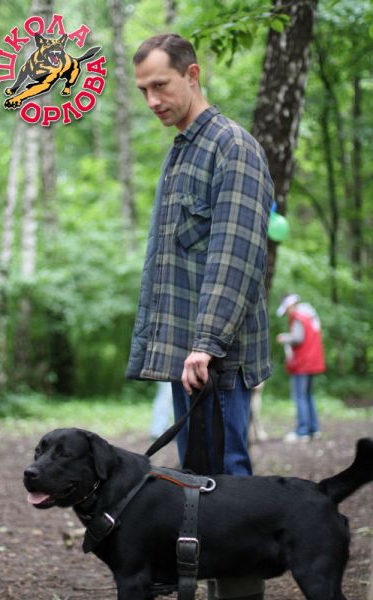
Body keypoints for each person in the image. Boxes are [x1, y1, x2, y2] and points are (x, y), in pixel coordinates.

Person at [126, 33, 274, 600]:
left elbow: (236, 256)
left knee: (229, 486)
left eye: (160, 85)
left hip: (217, 358)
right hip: (190, 358)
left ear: (192, 74)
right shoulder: (182, 150)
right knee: (198, 485)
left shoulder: (232, 147)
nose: (152, 100)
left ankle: (239, 595)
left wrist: (206, 343)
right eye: (143, 90)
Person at [276, 293, 325, 442]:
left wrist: (284, 337)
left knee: (300, 397)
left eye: (286, 309)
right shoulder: (309, 315)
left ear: (290, 306)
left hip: (302, 364)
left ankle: (302, 431)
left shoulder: (298, 317)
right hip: (312, 362)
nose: (287, 313)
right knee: (308, 396)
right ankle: (314, 429)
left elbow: (298, 338)